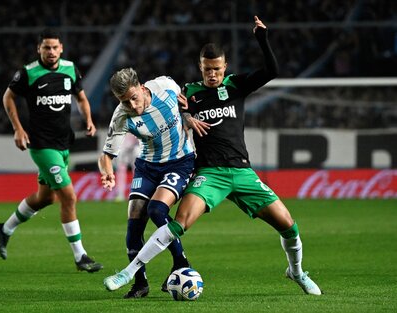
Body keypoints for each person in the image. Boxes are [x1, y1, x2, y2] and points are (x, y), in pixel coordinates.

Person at [103, 16, 322, 296]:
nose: (212, 74)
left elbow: (272, 70)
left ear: (225, 67)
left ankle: (297, 272)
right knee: (176, 223)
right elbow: (173, 107)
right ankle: (129, 273)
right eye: (207, 69)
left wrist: (262, 39)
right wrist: (186, 116)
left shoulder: (235, 86)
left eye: (217, 69)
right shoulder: (190, 93)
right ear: (201, 67)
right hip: (209, 174)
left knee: (289, 226)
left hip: (242, 172)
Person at [0, 28, 103, 273]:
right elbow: (8, 97)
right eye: (46, 48)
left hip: (64, 143)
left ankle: (5, 229)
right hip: (42, 146)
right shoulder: (28, 73)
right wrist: (18, 129)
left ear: (61, 48)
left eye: (54, 47)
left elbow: (82, 98)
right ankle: (80, 256)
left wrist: (89, 120)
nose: (51, 52)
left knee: (46, 198)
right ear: (39, 49)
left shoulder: (70, 69)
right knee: (69, 197)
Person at [98, 67, 194, 298]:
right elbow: (106, 155)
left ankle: (181, 263)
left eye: (134, 98)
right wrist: (107, 172)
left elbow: (186, 98)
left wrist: (188, 113)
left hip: (180, 161)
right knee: (134, 222)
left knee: (157, 210)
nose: (131, 105)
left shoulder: (166, 86)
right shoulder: (121, 116)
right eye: (124, 101)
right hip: (147, 166)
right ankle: (140, 283)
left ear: (142, 88)